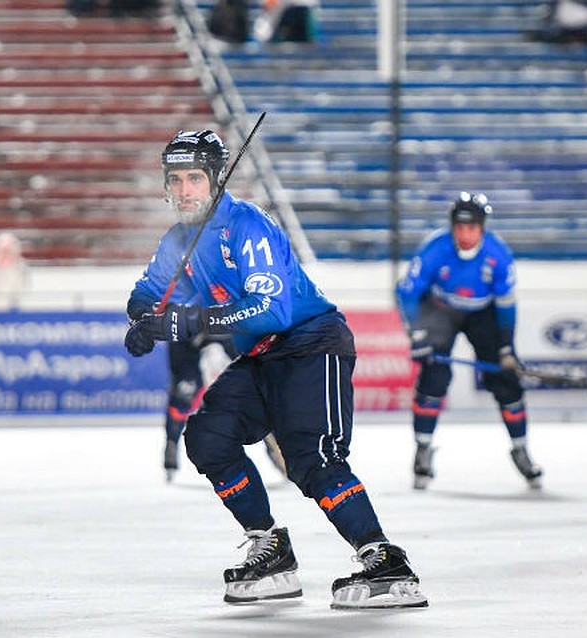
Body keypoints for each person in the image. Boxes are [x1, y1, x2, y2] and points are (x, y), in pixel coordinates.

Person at [124, 129, 426, 608]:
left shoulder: (246, 227)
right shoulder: (178, 240)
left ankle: (384, 559)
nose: (184, 190)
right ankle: (272, 550)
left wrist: (192, 319)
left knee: (312, 459)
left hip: (310, 344)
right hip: (262, 356)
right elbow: (146, 291)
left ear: (217, 180)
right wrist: (146, 320)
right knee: (207, 436)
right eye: (176, 179)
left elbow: (273, 310)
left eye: (195, 179)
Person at [395, 192, 543, 490]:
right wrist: (418, 334)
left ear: (482, 228)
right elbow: (407, 293)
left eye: (472, 227)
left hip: (482, 312)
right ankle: (423, 450)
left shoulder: (498, 254)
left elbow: (506, 305)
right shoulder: (434, 249)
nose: (465, 234)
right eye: (459, 227)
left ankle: (521, 448)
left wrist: (505, 347)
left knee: (506, 380)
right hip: (440, 310)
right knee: (434, 377)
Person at [158, 338, 287, 483]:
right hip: (198, 331)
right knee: (185, 390)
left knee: (251, 390)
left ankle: (279, 448)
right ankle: (171, 444)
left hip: (220, 330)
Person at [0, 231, 30, 312]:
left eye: (7, 251)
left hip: (13, 307)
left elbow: (22, 289)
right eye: (1, 251)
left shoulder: (20, 268)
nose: (4, 255)